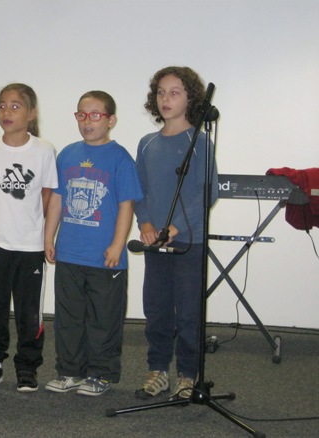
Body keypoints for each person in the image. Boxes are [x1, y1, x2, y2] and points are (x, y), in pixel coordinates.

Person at [44, 91, 143, 396]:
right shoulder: (67, 154)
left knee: (103, 319)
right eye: (82, 115)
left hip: (105, 257)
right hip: (70, 253)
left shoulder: (120, 158)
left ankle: (101, 373)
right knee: (68, 318)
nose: (88, 121)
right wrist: (48, 236)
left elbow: (127, 204)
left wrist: (118, 245)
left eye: (96, 115)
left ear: (111, 120)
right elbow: (58, 199)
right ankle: (70, 370)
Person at [133, 66, 218, 401]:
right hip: (155, 241)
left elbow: (207, 193)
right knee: (156, 308)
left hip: (187, 241)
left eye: (175, 92)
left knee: (187, 312)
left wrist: (175, 227)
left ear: (190, 98)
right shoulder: (147, 143)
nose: (165, 99)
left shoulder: (200, 141)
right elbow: (139, 191)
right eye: (161, 92)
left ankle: (187, 374)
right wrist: (145, 224)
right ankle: (157, 370)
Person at [0, 83, 58, 393]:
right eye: (2, 106)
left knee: (28, 309)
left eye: (15, 106)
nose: (7, 112)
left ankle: (27, 366)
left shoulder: (44, 150)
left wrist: (39, 231)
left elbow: (47, 195)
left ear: (31, 113)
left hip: (30, 244)